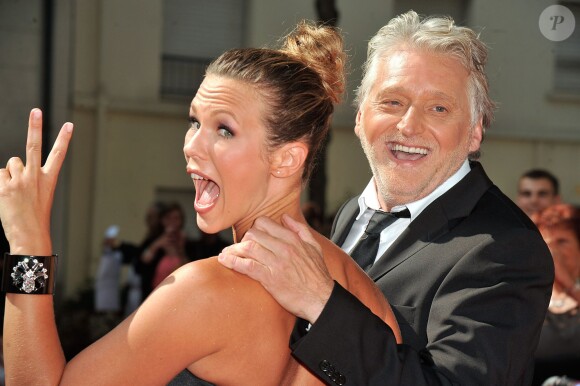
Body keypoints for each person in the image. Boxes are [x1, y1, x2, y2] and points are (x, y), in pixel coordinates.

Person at [0, 21, 401, 385]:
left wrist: (28, 245)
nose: (192, 145)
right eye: (194, 122)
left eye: (224, 130)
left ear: (287, 159)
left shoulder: (202, 293)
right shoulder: (364, 295)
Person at [219, 11, 555, 385]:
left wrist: (322, 303)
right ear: (361, 116)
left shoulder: (504, 247)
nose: (409, 125)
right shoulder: (352, 216)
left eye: (438, 108)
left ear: (475, 133)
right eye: (392, 102)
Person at [531, 204, 580, 385]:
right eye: (546, 243)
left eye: (561, 242)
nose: (552, 252)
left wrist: (569, 284)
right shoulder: (526, 300)